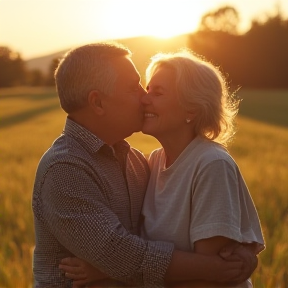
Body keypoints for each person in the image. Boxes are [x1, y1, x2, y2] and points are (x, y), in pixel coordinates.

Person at [32, 42, 258, 288]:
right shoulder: (64, 169)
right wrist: (220, 269)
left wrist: (244, 254)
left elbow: (130, 258)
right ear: (97, 103)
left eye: (154, 91)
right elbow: (122, 256)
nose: (144, 97)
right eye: (134, 87)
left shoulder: (139, 163)